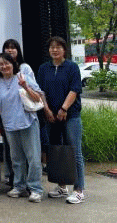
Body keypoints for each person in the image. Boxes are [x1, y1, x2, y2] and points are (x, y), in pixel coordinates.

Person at [37, 36, 85, 204]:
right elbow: (40, 91)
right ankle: (62, 186)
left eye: (58, 47)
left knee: (74, 151)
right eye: (52, 47)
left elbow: (75, 89)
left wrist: (64, 109)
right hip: (51, 116)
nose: (55, 50)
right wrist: (47, 109)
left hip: (71, 116)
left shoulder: (72, 67)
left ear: (64, 50)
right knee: (56, 151)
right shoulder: (44, 68)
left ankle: (79, 190)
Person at [0, 52, 43, 202]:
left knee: (33, 158)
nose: (4, 66)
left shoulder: (22, 77)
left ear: (13, 64)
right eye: (0, 64)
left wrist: (25, 86)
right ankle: (19, 186)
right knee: (16, 158)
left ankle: (35, 189)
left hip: (28, 123)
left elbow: (38, 98)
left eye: (7, 63)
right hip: (9, 125)